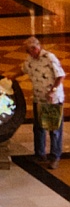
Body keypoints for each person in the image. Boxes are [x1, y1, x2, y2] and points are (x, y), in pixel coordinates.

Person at [23, 34, 66, 162]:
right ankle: (40, 154)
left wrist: (52, 91)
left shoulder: (49, 58)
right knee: (39, 128)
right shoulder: (30, 59)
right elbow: (23, 70)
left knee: (54, 129)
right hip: (38, 98)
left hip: (52, 99)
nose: (27, 53)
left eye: (28, 50)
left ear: (35, 48)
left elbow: (60, 75)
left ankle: (55, 156)